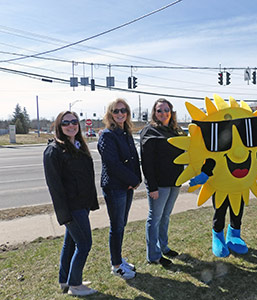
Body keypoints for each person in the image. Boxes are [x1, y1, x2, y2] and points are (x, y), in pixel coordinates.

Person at [43, 111, 98, 296]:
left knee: (71, 244)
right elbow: (55, 187)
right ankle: (75, 285)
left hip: (82, 204)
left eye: (74, 121)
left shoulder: (78, 145)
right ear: (59, 126)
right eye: (66, 122)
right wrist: (64, 214)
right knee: (84, 244)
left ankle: (65, 280)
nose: (71, 125)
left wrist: (91, 202)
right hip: (71, 208)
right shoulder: (54, 151)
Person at [97, 98, 142, 279]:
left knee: (121, 225)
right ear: (110, 114)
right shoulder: (107, 135)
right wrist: (132, 180)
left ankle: (118, 258)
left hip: (127, 186)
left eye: (123, 110)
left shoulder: (126, 132)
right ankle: (116, 266)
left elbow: (133, 159)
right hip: (115, 188)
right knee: (116, 227)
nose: (120, 114)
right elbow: (113, 164)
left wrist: (137, 179)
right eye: (116, 111)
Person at [140, 98, 186, 266]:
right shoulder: (149, 131)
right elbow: (146, 162)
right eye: (159, 110)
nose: (163, 113)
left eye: (166, 110)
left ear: (171, 112)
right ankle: (153, 255)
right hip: (159, 184)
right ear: (154, 113)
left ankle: (163, 247)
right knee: (155, 218)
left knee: (165, 216)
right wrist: (152, 187)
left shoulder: (176, 130)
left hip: (175, 182)